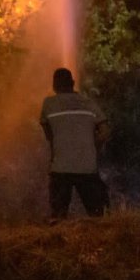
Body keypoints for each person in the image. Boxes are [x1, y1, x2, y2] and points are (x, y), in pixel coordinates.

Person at [39, 68, 109, 220]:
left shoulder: (48, 104)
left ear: (54, 86)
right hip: (87, 166)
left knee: (58, 216)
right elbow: (104, 132)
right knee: (98, 215)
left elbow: (48, 135)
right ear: (73, 83)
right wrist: (93, 147)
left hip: (60, 167)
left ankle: (57, 237)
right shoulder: (88, 102)